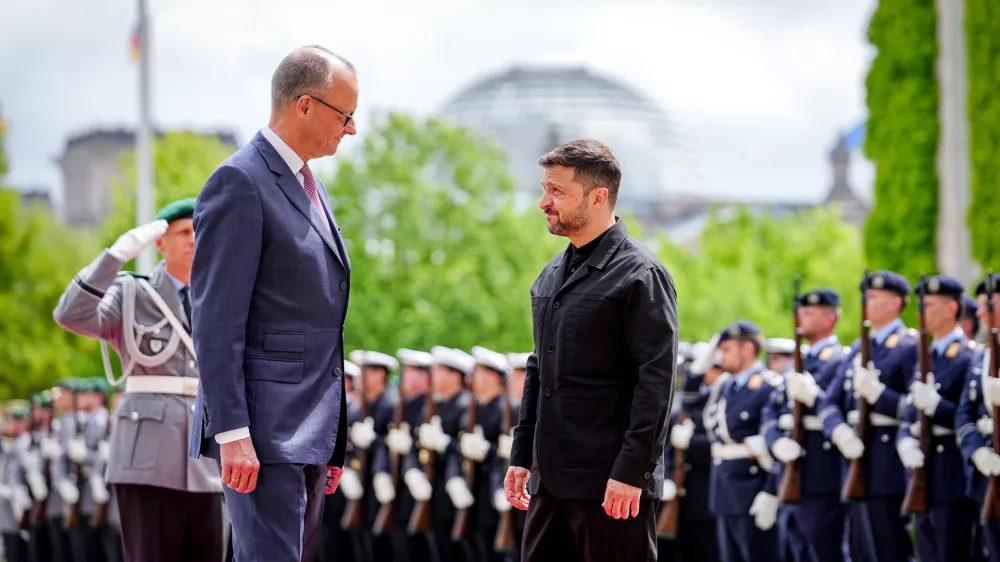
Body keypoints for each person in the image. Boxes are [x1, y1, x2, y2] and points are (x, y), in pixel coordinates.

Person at [188, 44, 358, 561]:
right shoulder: (240, 181)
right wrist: (233, 431)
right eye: (345, 115)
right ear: (305, 105)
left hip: (308, 430)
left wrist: (331, 439)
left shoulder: (312, 186)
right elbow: (216, 321)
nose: (351, 130)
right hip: (262, 434)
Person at [504, 139, 678, 562]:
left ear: (599, 197)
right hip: (550, 483)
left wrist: (631, 472)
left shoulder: (640, 275)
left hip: (611, 487)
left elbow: (655, 382)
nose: (544, 202)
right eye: (545, 189)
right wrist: (521, 454)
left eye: (557, 191)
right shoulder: (550, 275)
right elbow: (538, 369)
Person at [52, 197, 226, 561]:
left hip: (209, 458)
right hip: (148, 457)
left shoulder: (223, 299)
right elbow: (70, 314)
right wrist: (114, 257)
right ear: (160, 243)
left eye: (201, 231)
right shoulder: (132, 294)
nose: (194, 239)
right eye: (183, 232)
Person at [817, 270, 916, 562]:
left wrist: (879, 396)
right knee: (861, 550)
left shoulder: (908, 346)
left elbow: (916, 409)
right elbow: (829, 402)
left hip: (887, 465)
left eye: (874, 297)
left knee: (888, 549)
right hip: (855, 462)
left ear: (895, 302)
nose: (867, 303)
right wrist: (839, 431)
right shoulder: (861, 347)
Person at [761, 289, 859, 562]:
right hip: (790, 474)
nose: (800, 317)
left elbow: (836, 410)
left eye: (809, 312)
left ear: (830, 318)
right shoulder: (796, 363)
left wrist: (814, 395)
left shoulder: (839, 359)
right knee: (797, 552)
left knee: (826, 551)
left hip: (820, 475)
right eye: (800, 311)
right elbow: (771, 410)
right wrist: (775, 442)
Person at [896, 276, 978, 561]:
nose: (922, 313)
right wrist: (905, 440)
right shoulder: (926, 355)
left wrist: (936, 406)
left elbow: (969, 417)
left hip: (952, 478)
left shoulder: (968, 357)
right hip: (923, 476)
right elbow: (909, 414)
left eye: (929, 305)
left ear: (952, 309)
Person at [704, 321, 781, 562]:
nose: (720, 356)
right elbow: (690, 399)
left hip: (754, 491)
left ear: (748, 349)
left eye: (727, 349)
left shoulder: (769, 386)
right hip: (725, 491)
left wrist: (771, 491)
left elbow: (780, 446)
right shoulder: (724, 387)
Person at [957, 273, 1000, 561]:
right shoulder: (981, 356)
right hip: (988, 474)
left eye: (990, 304)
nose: (982, 312)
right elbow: (964, 414)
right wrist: (977, 452)